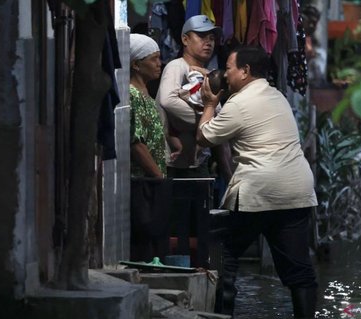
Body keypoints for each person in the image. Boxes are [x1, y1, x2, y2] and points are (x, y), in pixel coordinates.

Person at [197, 46, 319, 318]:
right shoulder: (278, 96)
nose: (226, 74)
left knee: (225, 255)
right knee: (299, 270)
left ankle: (222, 314)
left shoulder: (238, 104)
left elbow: (204, 137)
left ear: (245, 71)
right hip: (296, 189)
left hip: (260, 190)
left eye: (229, 68)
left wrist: (208, 105)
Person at [156, 15, 227, 266]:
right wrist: (203, 121)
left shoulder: (209, 72)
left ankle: (198, 271)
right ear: (185, 39)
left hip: (197, 164)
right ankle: (179, 271)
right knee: (178, 226)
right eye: (201, 37)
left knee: (199, 224)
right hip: (176, 166)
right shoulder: (177, 67)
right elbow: (167, 101)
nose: (208, 43)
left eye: (212, 38)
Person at [129, 33, 172, 262]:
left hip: (153, 181)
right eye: (154, 59)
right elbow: (136, 143)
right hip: (143, 182)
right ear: (136, 64)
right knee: (143, 237)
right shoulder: (132, 94)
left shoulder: (146, 93)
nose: (159, 64)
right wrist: (158, 177)